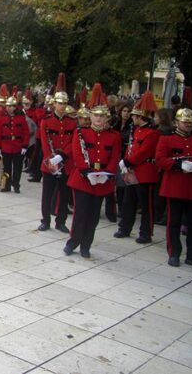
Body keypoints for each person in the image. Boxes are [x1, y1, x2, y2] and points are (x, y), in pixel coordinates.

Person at [64, 84, 121, 259]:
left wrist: (107, 174)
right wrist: (87, 172)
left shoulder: (114, 136)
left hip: (102, 180)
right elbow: (77, 155)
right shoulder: (81, 133)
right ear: (90, 116)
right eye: (96, 115)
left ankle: (86, 245)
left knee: (94, 216)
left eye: (102, 116)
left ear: (107, 118)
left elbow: (114, 157)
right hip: (83, 178)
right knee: (80, 213)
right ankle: (73, 242)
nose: (98, 119)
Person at [155, 108, 192, 268]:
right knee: (173, 222)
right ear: (176, 122)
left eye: (190, 122)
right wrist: (178, 164)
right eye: (184, 122)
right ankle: (174, 253)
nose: (187, 125)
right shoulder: (167, 140)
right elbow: (160, 159)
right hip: (175, 187)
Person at [115, 91, 160, 243]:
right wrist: (126, 161)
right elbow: (132, 148)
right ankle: (125, 228)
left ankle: (146, 232)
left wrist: (127, 162)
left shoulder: (152, 133)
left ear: (141, 117)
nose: (132, 118)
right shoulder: (137, 130)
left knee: (146, 206)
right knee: (129, 202)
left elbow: (144, 152)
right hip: (132, 171)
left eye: (134, 116)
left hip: (144, 172)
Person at [38, 74, 76, 233]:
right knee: (47, 194)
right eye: (59, 103)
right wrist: (53, 160)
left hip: (66, 163)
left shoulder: (72, 123)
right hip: (50, 164)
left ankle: (61, 221)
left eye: (65, 103)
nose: (62, 106)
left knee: (64, 194)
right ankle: (45, 220)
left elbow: (72, 142)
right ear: (54, 104)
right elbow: (45, 143)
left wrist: (63, 156)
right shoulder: (46, 121)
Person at [0, 96, 29, 193]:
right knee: (6, 167)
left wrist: (24, 145)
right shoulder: (2, 118)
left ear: (15, 107)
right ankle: (6, 185)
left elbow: (26, 132)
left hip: (18, 146)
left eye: (11, 106)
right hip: (6, 145)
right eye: (7, 106)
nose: (8, 108)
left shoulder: (21, 118)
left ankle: (16, 185)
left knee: (17, 167)